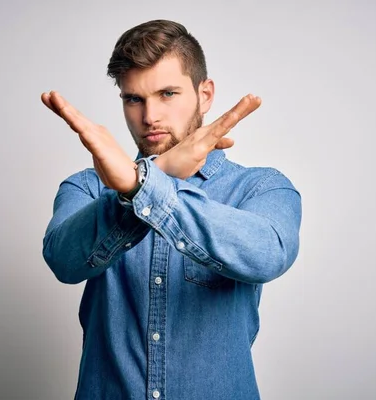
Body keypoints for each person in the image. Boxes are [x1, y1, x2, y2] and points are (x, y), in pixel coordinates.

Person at [41, 19, 301, 400]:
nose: (150, 117)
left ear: (205, 94)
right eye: (134, 98)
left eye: (167, 93)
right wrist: (149, 180)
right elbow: (63, 261)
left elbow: (268, 254)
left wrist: (143, 185)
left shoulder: (261, 187)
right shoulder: (88, 187)